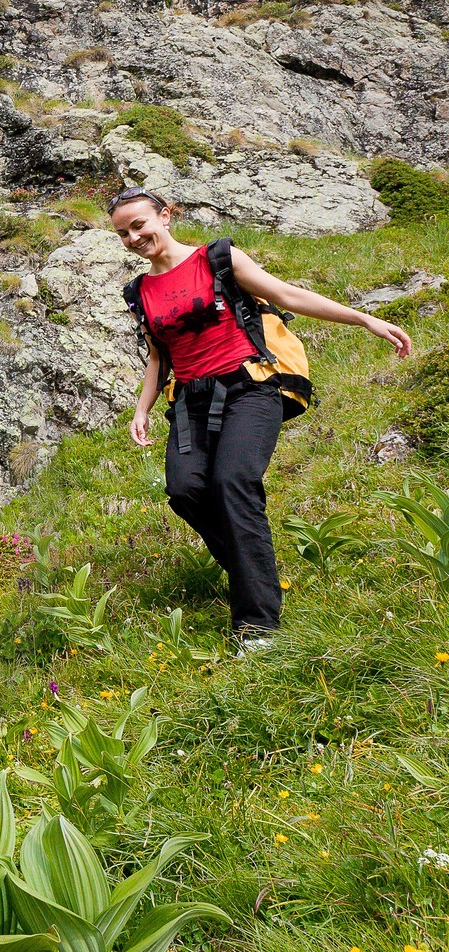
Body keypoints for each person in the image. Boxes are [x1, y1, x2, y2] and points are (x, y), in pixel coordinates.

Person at [112, 186, 412, 650]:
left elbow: (285, 295)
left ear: (166, 216)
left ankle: (257, 626)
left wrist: (365, 319)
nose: (133, 237)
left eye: (139, 224)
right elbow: (158, 355)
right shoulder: (140, 291)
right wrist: (142, 408)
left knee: (233, 481)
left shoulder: (218, 258)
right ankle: (256, 570)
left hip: (251, 385)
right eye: (123, 233)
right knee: (185, 489)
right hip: (191, 401)